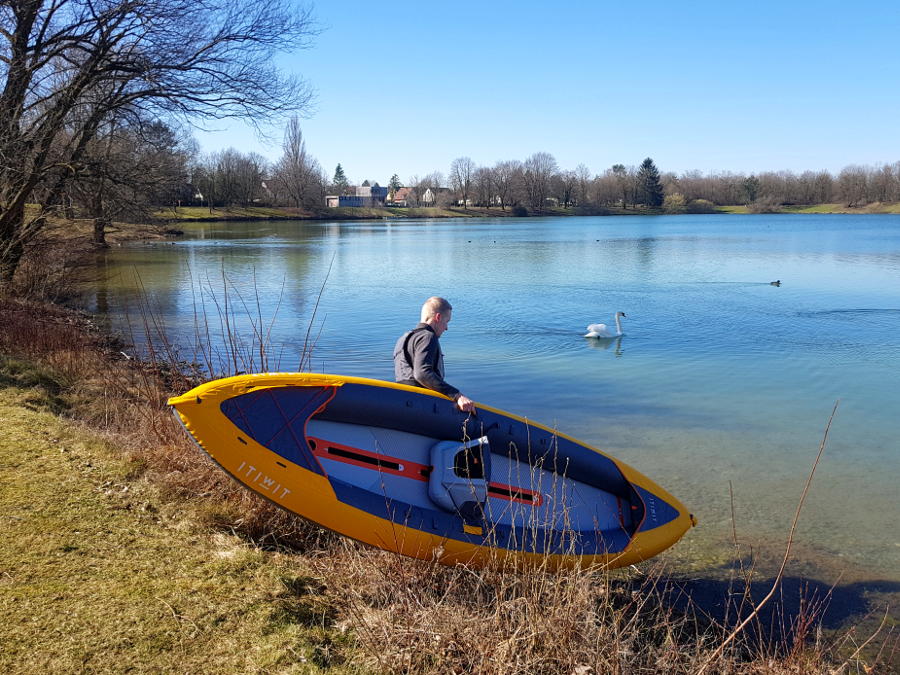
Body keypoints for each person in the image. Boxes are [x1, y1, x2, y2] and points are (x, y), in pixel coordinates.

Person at [393, 296, 476, 413]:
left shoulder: (403, 339)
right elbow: (422, 373)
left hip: (403, 402)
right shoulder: (428, 337)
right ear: (438, 317)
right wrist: (457, 395)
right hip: (421, 405)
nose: (446, 328)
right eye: (446, 322)